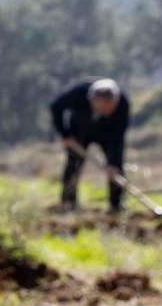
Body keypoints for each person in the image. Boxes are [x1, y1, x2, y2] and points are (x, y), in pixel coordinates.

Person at [50, 78, 129, 213]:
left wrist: (113, 163)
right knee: (73, 165)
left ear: (116, 101)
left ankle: (116, 204)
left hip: (108, 134)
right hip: (79, 133)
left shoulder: (123, 103)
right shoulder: (78, 94)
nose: (105, 111)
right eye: (102, 107)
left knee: (116, 167)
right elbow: (55, 107)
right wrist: (65, 134)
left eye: (109, 108)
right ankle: (68, 202)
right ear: (91, 100)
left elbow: (119, 135)